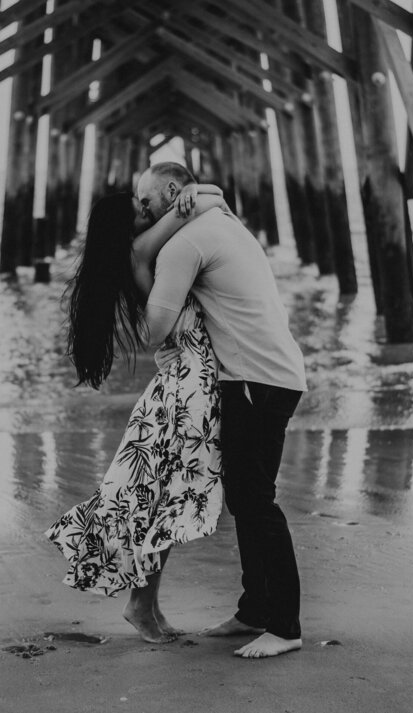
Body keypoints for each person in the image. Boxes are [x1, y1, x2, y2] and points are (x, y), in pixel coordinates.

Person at [45, 182, 229, 644]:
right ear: (126, 227)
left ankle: (145, 605)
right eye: (139, 210)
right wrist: (200, 190)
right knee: (162, 501)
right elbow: (202, 205)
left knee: (155, 498)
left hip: (178, 381)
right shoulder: (139, 249)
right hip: (188, 386)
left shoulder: (135, 253)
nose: (148, 213)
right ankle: (141, 606)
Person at [136, 162, 307, 659]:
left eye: (147, 203)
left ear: (173, 191)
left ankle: (285, 625)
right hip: (268, 374)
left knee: (256, 502)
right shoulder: (220, 221)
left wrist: (136, 279)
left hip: (256, 378)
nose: (143, 213)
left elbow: (153, 330)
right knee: (245, 499)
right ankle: (255, 611)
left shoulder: (185, 243)